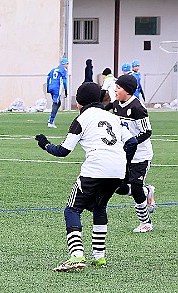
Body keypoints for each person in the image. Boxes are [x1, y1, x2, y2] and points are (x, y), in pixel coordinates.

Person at [35, 82, 138, 272]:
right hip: (117, 170)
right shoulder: (113, 117)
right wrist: (123, 163)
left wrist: (45, 144)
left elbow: (63, 151)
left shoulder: (81, 119)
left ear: (80, 102)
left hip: (95, 170)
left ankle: (76, 256)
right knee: (100, 208)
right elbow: (131, 141)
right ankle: (99, 257)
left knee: (72, 210)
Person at [105, 75, 155, 232]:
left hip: (141, 155)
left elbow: (147, 132)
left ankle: (145, 222)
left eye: (118, 88)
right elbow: (103, 109)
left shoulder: (138, 108)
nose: (115, 89)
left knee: (135, 186)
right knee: (118, 187)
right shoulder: (116, 104)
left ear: (127, 91)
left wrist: (131, 143)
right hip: (125, 154)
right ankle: (147, 191)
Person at [46, 57, 68, 128]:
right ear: (64, 64)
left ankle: (51, 119)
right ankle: (50, 121)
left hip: (51, 87)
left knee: (58, 103)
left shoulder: (53, 69)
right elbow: (64, 81)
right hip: (56, 88)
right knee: (56, 103)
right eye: (67, 64)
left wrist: (48, 87)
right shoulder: (63, 70)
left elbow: (48, 78)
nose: (67, 65)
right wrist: (66, 89)